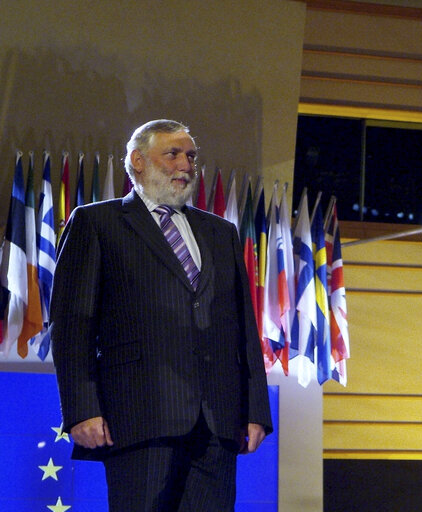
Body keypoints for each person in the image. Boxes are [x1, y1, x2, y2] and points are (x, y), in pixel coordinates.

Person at [50, 119, 272, 511]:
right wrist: (82, 410)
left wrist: (254, 411)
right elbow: (72, 326)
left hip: (217, 423)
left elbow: (243, 329)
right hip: (138, 419)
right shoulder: (97, 223)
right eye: (173, 154)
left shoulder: (222, 232)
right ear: (137, 161)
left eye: (191, 156)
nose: (186, 164)